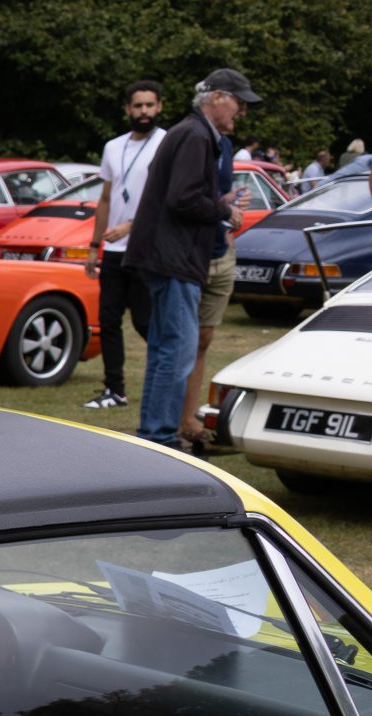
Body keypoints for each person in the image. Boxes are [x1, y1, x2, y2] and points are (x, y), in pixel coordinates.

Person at [127, 68, 256, 448]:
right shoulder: (197, 135)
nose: (242, 113)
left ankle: (153, 435)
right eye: (239, 103)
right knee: (178, 352)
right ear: (217, 97)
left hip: (163, 256)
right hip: (173, 259)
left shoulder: (190, 132)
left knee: (167, 350)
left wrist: (217, 204)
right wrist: (223, 211)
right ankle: (161, 437)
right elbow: (182, 199)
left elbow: (177, 193)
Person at [85, 80, 165, 412]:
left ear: (159, 107)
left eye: (149, 105)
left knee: (146, 323)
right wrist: (94, 245)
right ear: (127, 109)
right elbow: (105, 198)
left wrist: (131, 226)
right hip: (114, 252)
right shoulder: (113, 147)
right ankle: (114, 389)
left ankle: (166, 384)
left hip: (147, 250)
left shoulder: (166, 143)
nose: (144, 112)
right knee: (109, 321)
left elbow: (165, 200)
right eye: (138, 106)